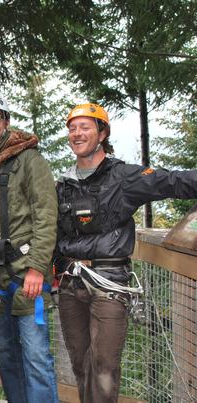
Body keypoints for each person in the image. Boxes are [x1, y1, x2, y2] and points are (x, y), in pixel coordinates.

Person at [54, 103, 197, 403]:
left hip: (110, 284)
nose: (77, 134)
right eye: (72, 128)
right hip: (70, 284)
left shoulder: (124, 177)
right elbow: (50, 231)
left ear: (102, 132)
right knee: (81, 365)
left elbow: (171, 181)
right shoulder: (63, 185)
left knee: (105, 367)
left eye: (85, 127)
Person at [0, 93, 59, 403]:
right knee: (7, 354)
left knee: (35, 356)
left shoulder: (30, 161)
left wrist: (37, 268)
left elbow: (46, 215)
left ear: (6, 121)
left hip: (27, 273)